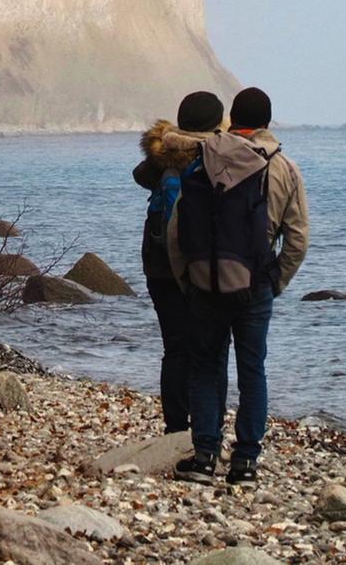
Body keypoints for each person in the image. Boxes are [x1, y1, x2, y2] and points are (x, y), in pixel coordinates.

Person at [169, 85, 309, 484]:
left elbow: (178, 231)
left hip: (203, 285)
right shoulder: (283, 167)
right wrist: (274, 281)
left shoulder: (201, 161)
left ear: (233, 119)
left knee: (205, 369)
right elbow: (298, 239)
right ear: (266, 122)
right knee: (252, 371)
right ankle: (245, 462)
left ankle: (204, 458)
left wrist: (188, 280)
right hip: (254, 287)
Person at [132, 90, 226, 436]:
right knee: (214, 349)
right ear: (218, 123)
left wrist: (164, 144)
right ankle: (211, 426)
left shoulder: (163, 159)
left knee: (175, 347)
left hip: (160, 268)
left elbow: (140, 174)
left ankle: (175, 425)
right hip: (206, 266)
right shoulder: (221, 156)